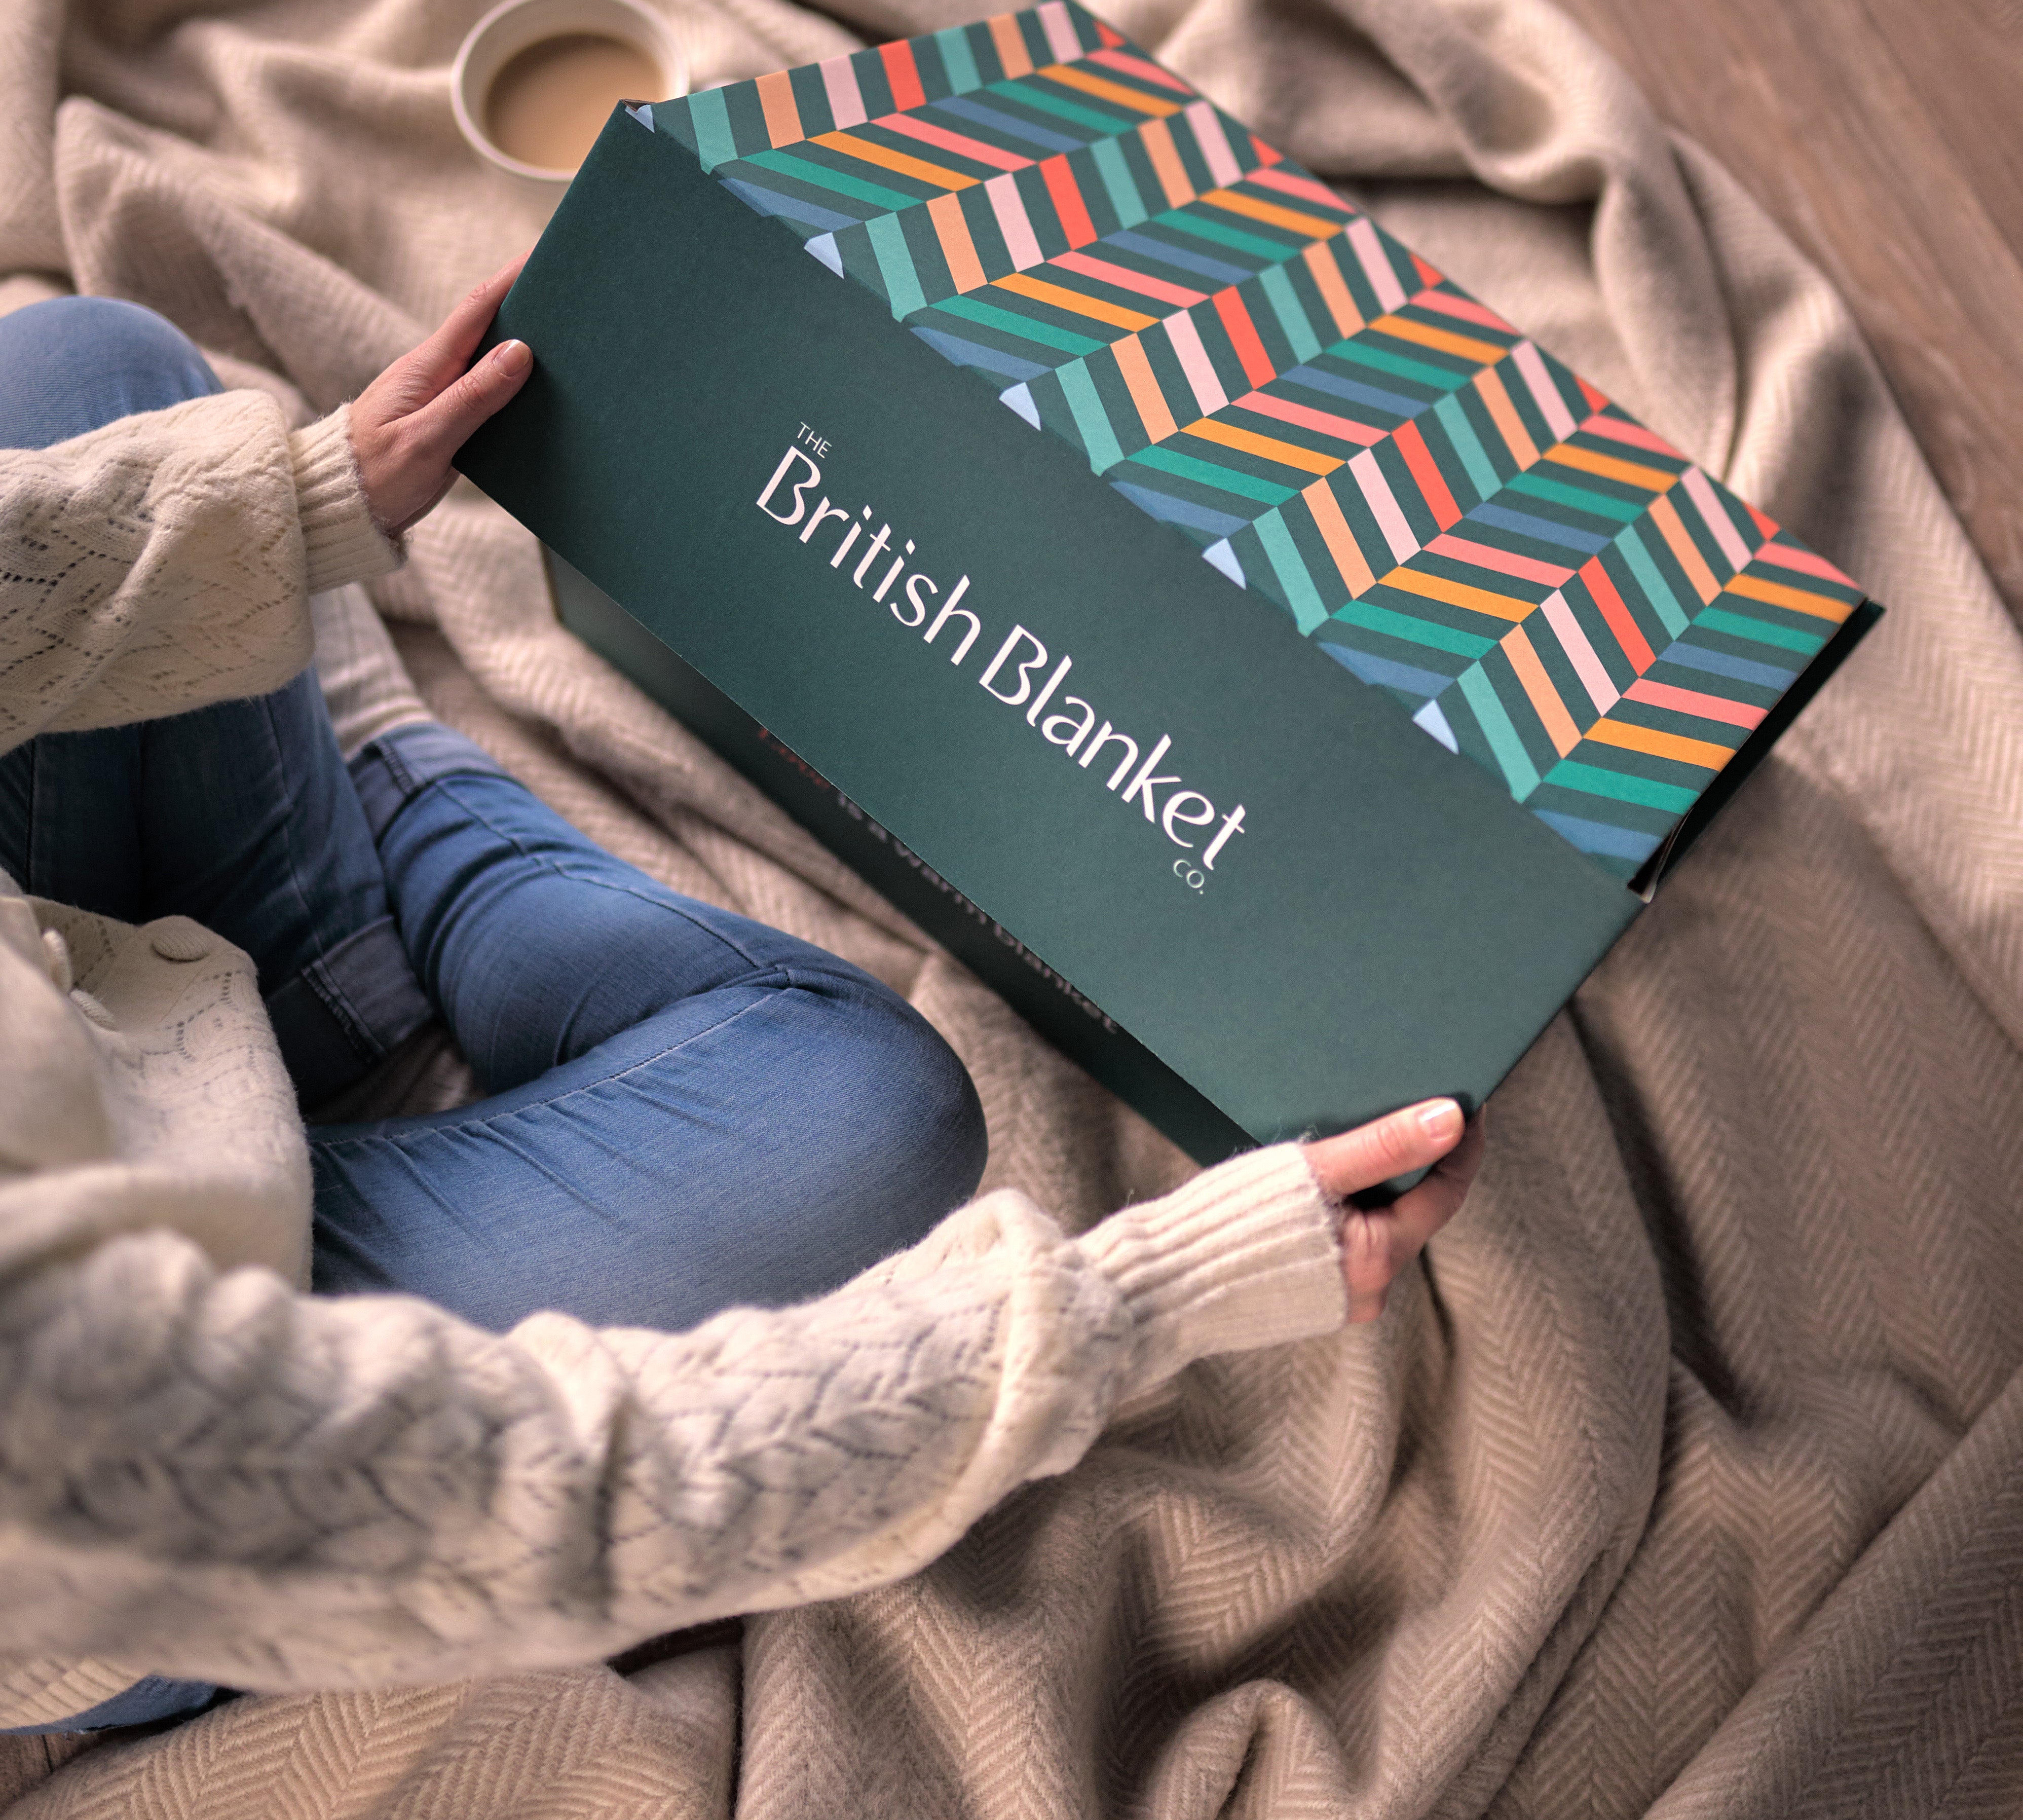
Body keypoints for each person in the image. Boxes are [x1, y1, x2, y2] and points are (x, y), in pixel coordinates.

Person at [0, 267, 1483, 1739]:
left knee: (91, 363)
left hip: (95, 1023)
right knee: (871, 1110)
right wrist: (1145, 1297)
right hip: (184, 1374)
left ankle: (364, 875)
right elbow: (556, 1495)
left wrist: (314, 496)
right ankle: (392, 810)